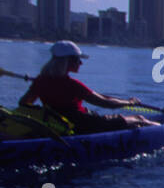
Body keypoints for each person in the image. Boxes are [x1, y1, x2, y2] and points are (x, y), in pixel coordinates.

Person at [18, 41, 157, 132]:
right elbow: (106, 103)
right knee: (139, 118)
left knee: (133, 122)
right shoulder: (72, 85)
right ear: (69, 61)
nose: (81, 64)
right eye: (78, 60)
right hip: (86, 125)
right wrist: (130, 102)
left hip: (60, 124)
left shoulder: (40, 82)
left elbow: (24, 103)